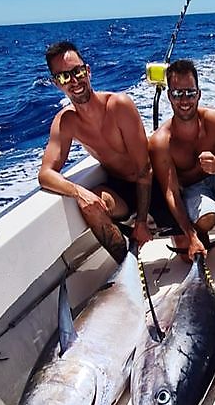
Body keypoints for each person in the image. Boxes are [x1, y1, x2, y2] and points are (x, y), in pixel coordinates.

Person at [39, 41, 152, 264]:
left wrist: (141, 221)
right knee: (88, 205)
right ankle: (127, 265)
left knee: (187, 253)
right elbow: (45, 174)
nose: (74, 81)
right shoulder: (66, 122)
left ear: (88, 71)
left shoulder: (119, 105)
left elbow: (145, 169)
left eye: (77, 71)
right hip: (120, 190)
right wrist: (79, 192)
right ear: (56, 83)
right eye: (64, 77)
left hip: (150, 185)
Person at [148, 59, 215, 278]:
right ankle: (197, 235)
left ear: (199, 94)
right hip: (191, 190)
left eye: (190, 93)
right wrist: (191, 235)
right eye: (177, 94)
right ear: (169, 96)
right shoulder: (161, 141)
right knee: (193, 246)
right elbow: (171, 192)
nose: (184, 100)